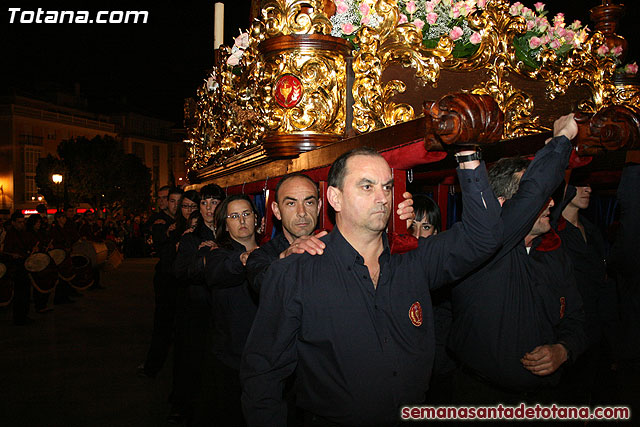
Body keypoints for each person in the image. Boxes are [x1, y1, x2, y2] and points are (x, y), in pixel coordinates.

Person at [241, 145, 502, 426]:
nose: (382, 198)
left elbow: (484, 236)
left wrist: (467, 155)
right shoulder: (295, 273)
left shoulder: (413, 260)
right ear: (334, 198)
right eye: (367, 187)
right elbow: (263, 375)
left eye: (387, 187)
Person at [448, 114, 587, 404]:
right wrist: (561, 140)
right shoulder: (483, 252)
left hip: (544, 401)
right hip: (480, 401)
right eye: (536, 200)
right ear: (503, 205)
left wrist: (563, 350)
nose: (549, 202)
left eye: (548, 197)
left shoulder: (552, 253)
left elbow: (576, 319)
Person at [556, 183, 617, 403]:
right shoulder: (553, 232)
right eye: (581, 184)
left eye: (591, 185)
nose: (589, 189)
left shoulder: (591, 231)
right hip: (564, 332)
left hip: (594, 330)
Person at [204, 194, 261, 426]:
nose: (242, 220)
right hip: (232, 359)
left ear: (256, 219)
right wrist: (244, 259)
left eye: (246, 214)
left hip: (267, 357)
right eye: (234, 216)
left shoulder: (271, 253)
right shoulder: (219, 256)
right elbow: (218, 272)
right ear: (225, 225)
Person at [172, 184, 225, 424]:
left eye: (214, 202)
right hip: (198, 312)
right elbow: (180, 272)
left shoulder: (231, 235)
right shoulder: (191, 239)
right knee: (193, 365)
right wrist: (207, 258)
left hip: (225, 315)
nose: (208, 208)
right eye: (204, 203)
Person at [138, 187, 183, 378]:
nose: (172, 204)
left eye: (175, 200)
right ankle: (152, 366)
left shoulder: (184, 221)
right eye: (169, 200)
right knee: (163, 325)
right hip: (167, 279)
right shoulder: (160, 222)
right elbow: (158, 244)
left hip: (183, 281)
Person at [2, 212, 33, 325]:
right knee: (20, 294)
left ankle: (24, 315)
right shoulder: (10, 235)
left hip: (25, 264)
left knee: (25, 293)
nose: (22, 224)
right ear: (13, 223)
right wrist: (13, 255)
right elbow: (7, 252)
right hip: (17, 267)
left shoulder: (24, 233)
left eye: (23, 222)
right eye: (19, 222)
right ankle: (19, 318)